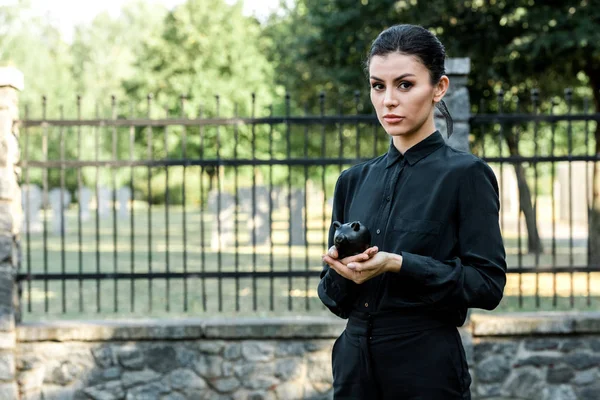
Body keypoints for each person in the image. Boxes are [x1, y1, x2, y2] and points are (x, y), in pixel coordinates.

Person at [318, 24, 507, 400]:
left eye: (405, 85)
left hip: (425, 367)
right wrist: (342, 276)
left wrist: (398, 263)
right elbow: (333, 298)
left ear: (439, 88)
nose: (389, 100)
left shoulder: (466, 175)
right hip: (354, 367)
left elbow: (487, 284)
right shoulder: (352, 181)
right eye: (378, 86)